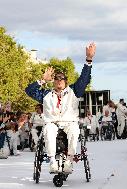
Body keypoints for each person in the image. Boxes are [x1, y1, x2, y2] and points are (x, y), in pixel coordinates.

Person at [25, 42, 96, 173]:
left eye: (62, 78)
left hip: (70, 122)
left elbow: (84, 79)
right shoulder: (46, 94)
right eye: (56, 78)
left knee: (75, 131)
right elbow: (29, 91)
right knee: (48, 130)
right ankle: (52, 162)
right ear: (53, 81)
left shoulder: (74, 91)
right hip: (52, 123)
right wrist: (42, 80)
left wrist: (89, 59)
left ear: (66, 81)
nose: (59, 80)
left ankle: (69, 162)